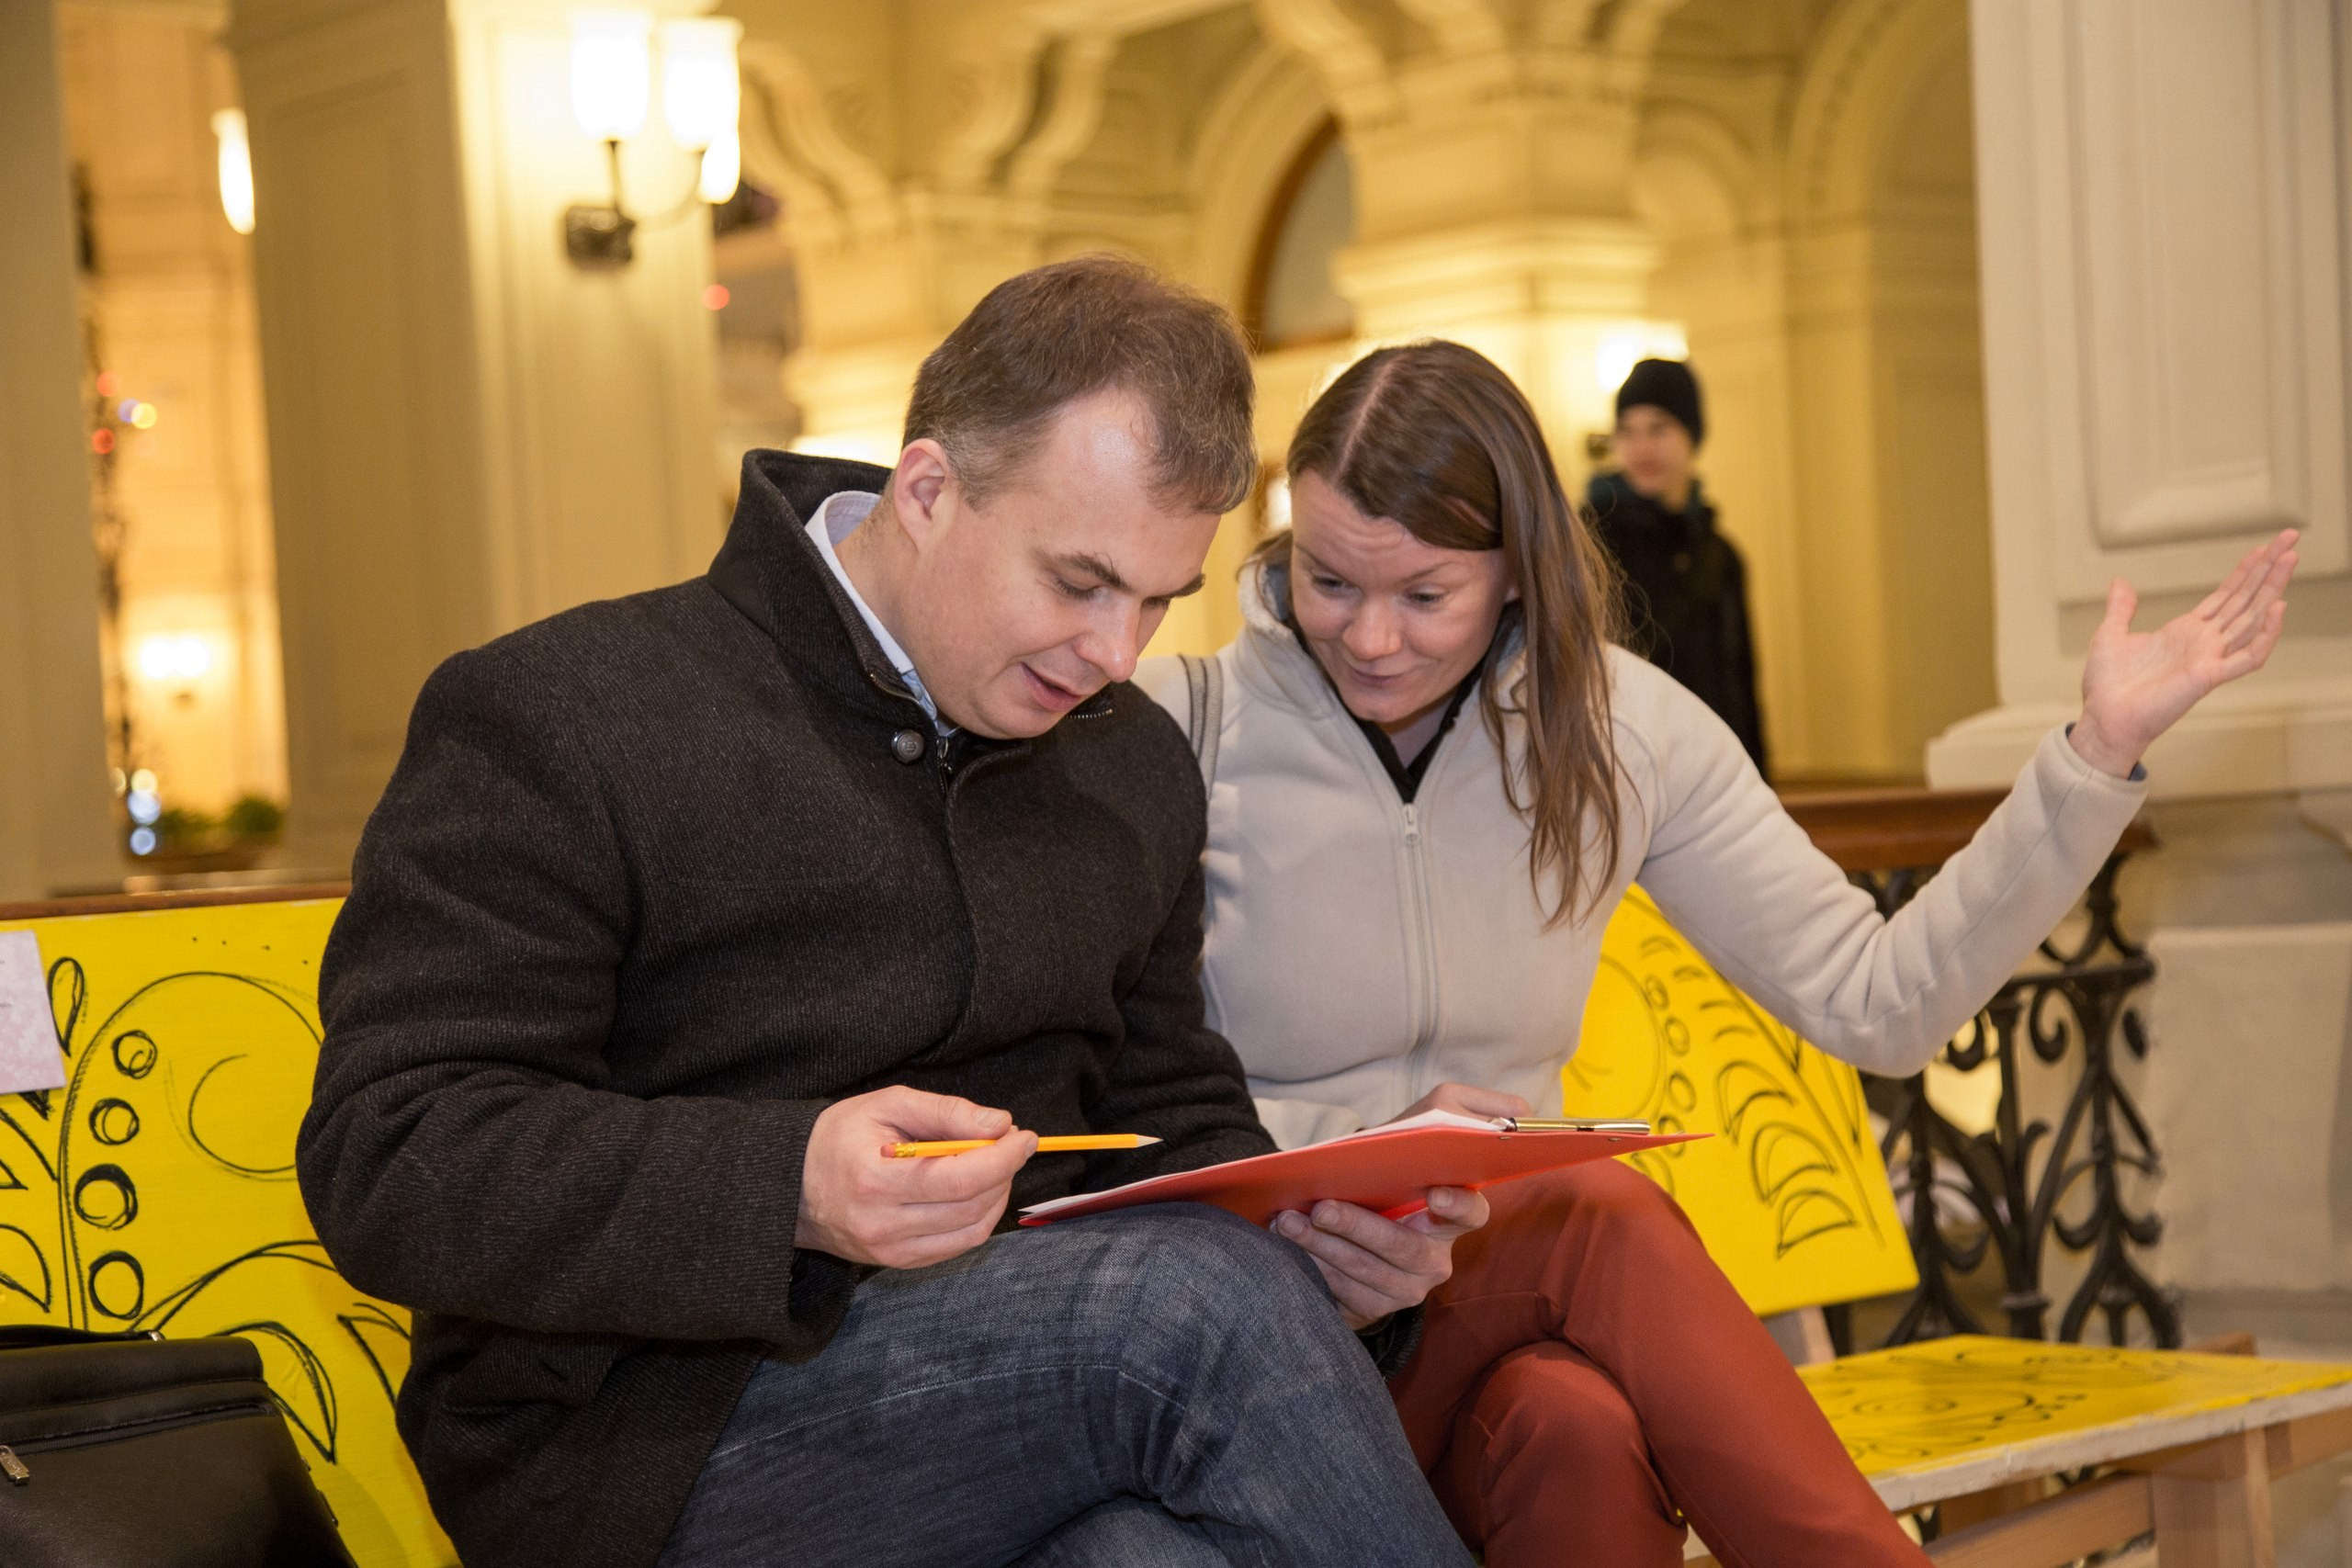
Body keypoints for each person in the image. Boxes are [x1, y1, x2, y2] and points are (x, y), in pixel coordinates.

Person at [295, 260, 1486, 1568]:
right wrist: (788, 1183)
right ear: (927, 491)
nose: (1115, 652)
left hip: (1047, 1397)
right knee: (1184, 1309)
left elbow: (1178, 1120)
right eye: (1079, 580)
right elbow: (389, 1152)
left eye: (1156, 599)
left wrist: (1326, 1266)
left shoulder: (1128, 759)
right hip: (644, 1439)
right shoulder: (565, 712)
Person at [1136, 338, 2298, 1567]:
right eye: (1325, 581)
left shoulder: (1622, 726)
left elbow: (1879, 998)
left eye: (1424, 595)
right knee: (1587, 1207)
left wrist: (2090, 757)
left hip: (1477, 1318)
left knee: (1574, 1425)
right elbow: (1107, 1096)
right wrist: (1316, 1171)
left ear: (1518, 572)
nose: (1369, 636)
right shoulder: (1185, 729)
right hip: (1267, 1329)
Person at [1589, 356, 1769, 772]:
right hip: (1628, 767)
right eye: (1627, 431)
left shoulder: (1720, 556)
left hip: (1712, 771)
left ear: (1692, 436)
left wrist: (1758, 782)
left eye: (1658, 429)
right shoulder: (1591, 544)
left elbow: (1740, 685)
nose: (1642, 448)